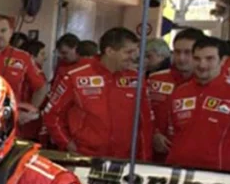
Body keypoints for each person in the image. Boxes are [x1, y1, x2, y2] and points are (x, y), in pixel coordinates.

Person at [42, 27, 153, 158]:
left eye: (136, 51)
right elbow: (51, 115)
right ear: (110, 51)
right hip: (86, 157)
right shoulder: (75, 77)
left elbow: (146, 121)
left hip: (125, 159)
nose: (134, 57)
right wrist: (67, 144)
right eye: (128, 52)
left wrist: (145, 158)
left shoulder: (137, 79)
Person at [165, 36, 230, 172]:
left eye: (209, 59)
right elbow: (174, 132)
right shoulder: (180, 92)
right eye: (197, 59)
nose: (202, 65)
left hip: (219, 176)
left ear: (222, 61)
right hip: (178, 171)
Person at [148, 28, 204, 158]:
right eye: (177, 52)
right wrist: (153, 134)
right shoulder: (155, 79)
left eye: (187, 53)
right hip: (154, 156)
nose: (181, 58)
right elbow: (140, 115)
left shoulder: (209, 85)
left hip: (191, 157)